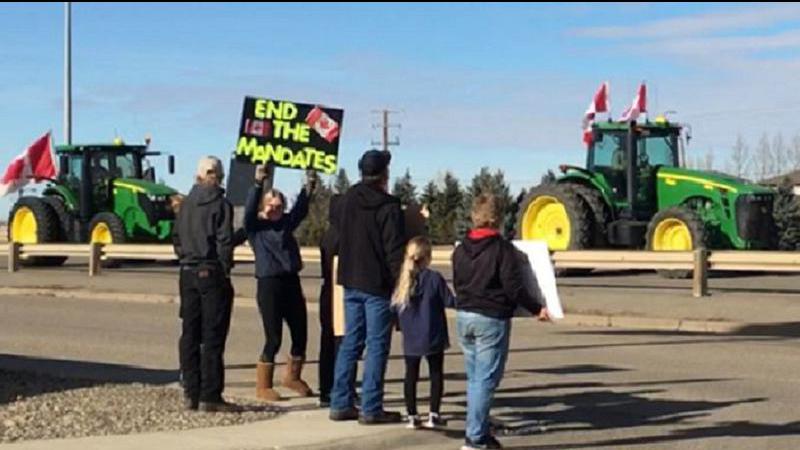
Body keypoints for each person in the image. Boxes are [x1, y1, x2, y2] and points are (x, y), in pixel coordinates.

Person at [452, 194, 550, 450]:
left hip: (464, 316)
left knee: (475, 378)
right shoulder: (502, 249)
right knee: (486, 380)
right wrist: (537, 308)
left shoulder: (460, 250)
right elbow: (513, 287)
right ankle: (475, 438)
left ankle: (479, 428)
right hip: (490, 318)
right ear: (497, 218)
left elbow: (458, 281)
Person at [329, 149, 406, 424]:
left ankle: (340, 402)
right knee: (376, 346)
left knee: (351, 342)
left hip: (350, 279)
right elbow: (394, 251)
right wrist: (401, 286)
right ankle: (371, 407)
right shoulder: (389, 207)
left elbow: (334, 225)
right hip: (377, 284)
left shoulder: (346, 201)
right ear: (384, 174)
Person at [245, 165, 317, 401]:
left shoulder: (286, 223)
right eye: (270, 206)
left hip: (291, 282)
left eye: (279, 206)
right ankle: (263, 385)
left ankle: (293, 377)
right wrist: (258, 183)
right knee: (273, 337)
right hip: (269, 285)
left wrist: (309, 185)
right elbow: (248, 211)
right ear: (263, 207)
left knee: (300, 334)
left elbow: (300, 209)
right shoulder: (255, 228)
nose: (275, 209)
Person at [173, 156, 238, 413]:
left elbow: (176, 238)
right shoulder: (221, 204)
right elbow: (224, 241)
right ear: (219, 176)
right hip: (210, 271)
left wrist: (185, 256)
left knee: (190, 333)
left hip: (187, 271)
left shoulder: (185, 205)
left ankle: (191, 391)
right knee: (212, 335)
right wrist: (224, 268)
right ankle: (210, 394)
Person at [391, 236, 454, 430]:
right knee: (436, 374)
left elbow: (394, 308)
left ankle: (412, 414)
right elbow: (449, 300)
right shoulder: (434, 278)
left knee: (411, 375)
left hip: (411, 336)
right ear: (428, 257)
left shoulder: (403, 281)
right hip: (433, 333)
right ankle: (434, 413)